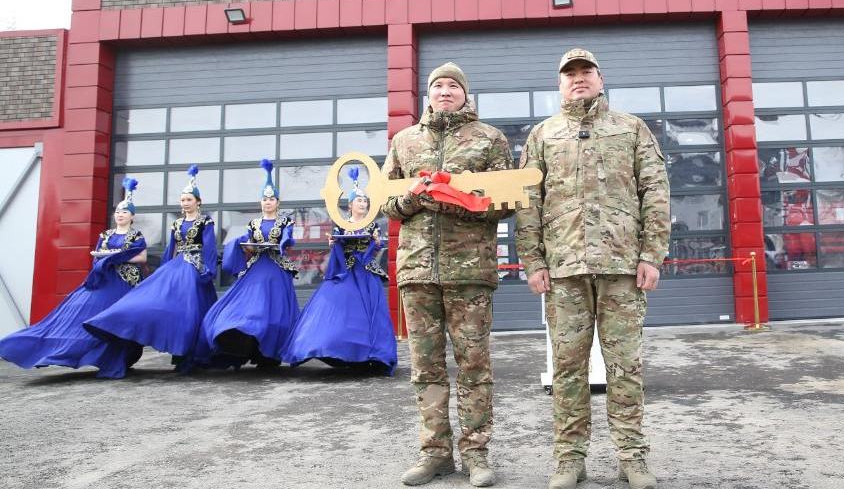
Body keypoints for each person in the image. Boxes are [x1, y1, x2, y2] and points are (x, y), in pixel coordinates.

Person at [516, 49, 671, 489]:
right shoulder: (543, 135)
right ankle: (569, 459)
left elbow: (655, 193)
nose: (578, 79)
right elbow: (528, 204)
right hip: (564, 269)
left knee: (625, 365)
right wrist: (533, 261)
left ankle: (632, 457)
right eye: (570, 75)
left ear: (601, 79)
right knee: (567, 368)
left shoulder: (632, 128)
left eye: (586, 72)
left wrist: (651, 255)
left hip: (622, 265)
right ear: (559, 84)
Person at [381, 62, 513, 487]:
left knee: (474, 365)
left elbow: (507, 202)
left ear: (465, 94)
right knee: (425, 368)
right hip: (417, 270)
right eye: (437, 85)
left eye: (453, 86)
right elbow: (386, 201)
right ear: (428, 94)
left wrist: (451, 197)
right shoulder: (404, 141)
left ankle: (476, 454)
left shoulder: (489, 139)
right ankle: (434, 453)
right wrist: (414, 198)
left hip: (469, 272)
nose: (444, 91)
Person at [0, 178, 147, 378]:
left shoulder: (136, 235)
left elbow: (141, 257)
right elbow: (96, 256)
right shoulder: (105, 235)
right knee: (74, 313)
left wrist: (118, 256)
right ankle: (36, 347)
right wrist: (105, 262)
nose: (120, 215)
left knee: (118, 321)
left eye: (125, 212)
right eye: (118, 212)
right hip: (104, 281)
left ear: (132, 216)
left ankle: (116, 360)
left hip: (125, 283)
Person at [84, 165, 219, 373]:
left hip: (196, 267)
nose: (185, 203)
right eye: (182, 200)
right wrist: (163, 272)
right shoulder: (177, 224)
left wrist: (207, 270)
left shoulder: (205, 222)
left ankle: (192, 356)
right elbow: (171, 249)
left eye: (189, 200)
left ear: (198, 202)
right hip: (177, 266)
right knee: (169, 306)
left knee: (193, 310)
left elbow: (209, 246)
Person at [280, 166, 397, 372]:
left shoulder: (373, 227)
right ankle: (339, 352)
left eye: (365, 201)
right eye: (359, 201)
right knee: (338, 309)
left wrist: (376, 243)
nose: (363, 204)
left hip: (366, 272)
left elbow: (374, 249)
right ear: (350, 204)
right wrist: (334, 244)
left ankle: (373, 355)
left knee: (370, 313)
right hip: (345, 271)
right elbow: (337, 250)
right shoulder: (340, 226)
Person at [201, 159, 299, 368]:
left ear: (278, 202)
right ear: (260, 202)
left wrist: (280, 243)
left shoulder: (285, 222)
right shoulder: (253, 223)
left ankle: (270, 354)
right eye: (265, 198)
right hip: (256, 267)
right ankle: (241, 343)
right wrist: (246, 246)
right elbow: (249, 245)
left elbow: (288, 239)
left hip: (276, 269)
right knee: (249, 307)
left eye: (272, 199)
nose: (268, 202)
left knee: (275, 311)